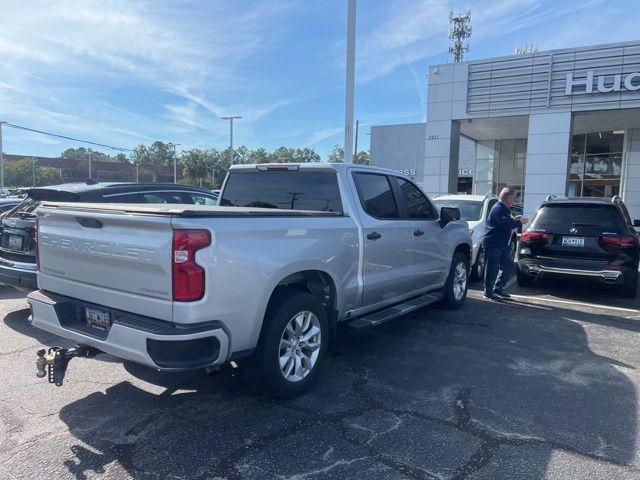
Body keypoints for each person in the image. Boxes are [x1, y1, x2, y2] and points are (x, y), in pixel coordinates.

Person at [483, 188, 528, 300]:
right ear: (509, 198)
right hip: (493, 243)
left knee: (508, 266)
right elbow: (505, 225)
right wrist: (519, 222)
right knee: (492, 269)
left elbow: (506, 222)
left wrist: (515, 219)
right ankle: (488, 292)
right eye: (514, 197)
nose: (516, 199)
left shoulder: (504, 209)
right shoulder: (498, 208)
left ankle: (498, 288)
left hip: (502, 243)